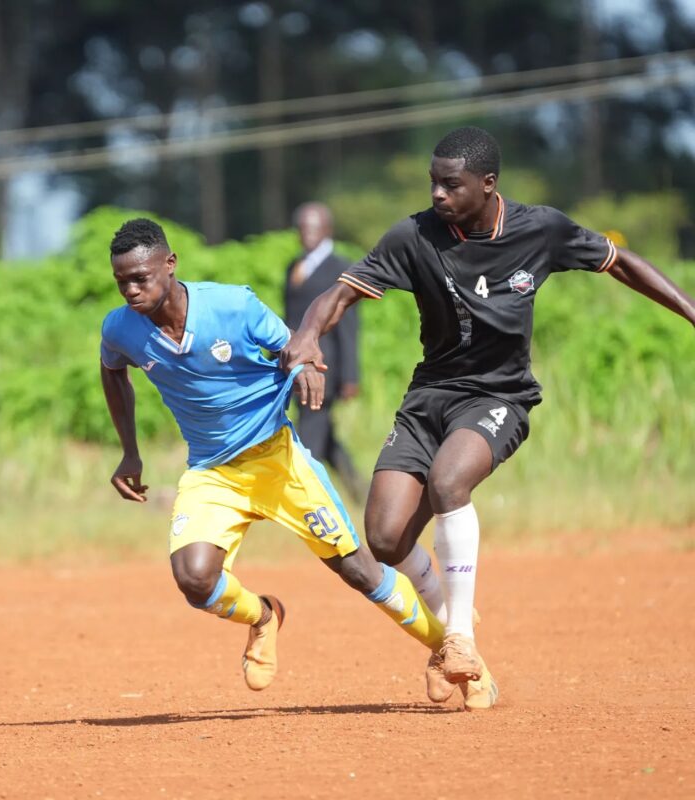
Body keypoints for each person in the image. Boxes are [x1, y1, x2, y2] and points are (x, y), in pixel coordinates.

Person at [280, 126, 695, 694]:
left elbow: (622, 262)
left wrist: (691, 312)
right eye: (433, 183)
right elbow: (341, 293)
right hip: (429, 397)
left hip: (500, 396)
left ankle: (458, 641)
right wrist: (307, 334)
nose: (437, 195)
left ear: (488, 184)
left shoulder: (540, 229)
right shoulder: (414, 237)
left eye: (451, 185)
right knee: (384, 538)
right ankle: (455, 625)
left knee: (450, 482)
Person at [99, 217, 497, 710]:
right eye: (122, 282)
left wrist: (306, 366)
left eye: (141, 277)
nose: (131, 290)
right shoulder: (121, 328)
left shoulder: (231, 305)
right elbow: (112, 370)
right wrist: (130, 450)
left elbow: (293, 343)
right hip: (213, 472)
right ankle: (264, 616)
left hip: (278, 459)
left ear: (170, 263)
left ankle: (452, 651)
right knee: (194, 579)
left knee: (359, 572)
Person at [284, 202, 364, 502]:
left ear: (327, 230)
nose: (307, 234)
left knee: (309, 437)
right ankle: (360, 492)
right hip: (293, 365)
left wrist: (350, 376)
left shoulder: (340, 267)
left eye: (314, 227)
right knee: (325, 438)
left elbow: (349, 325)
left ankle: (308, 502)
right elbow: (287, 317)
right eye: (303, 228)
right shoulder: (294, 266)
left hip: (324, 366)